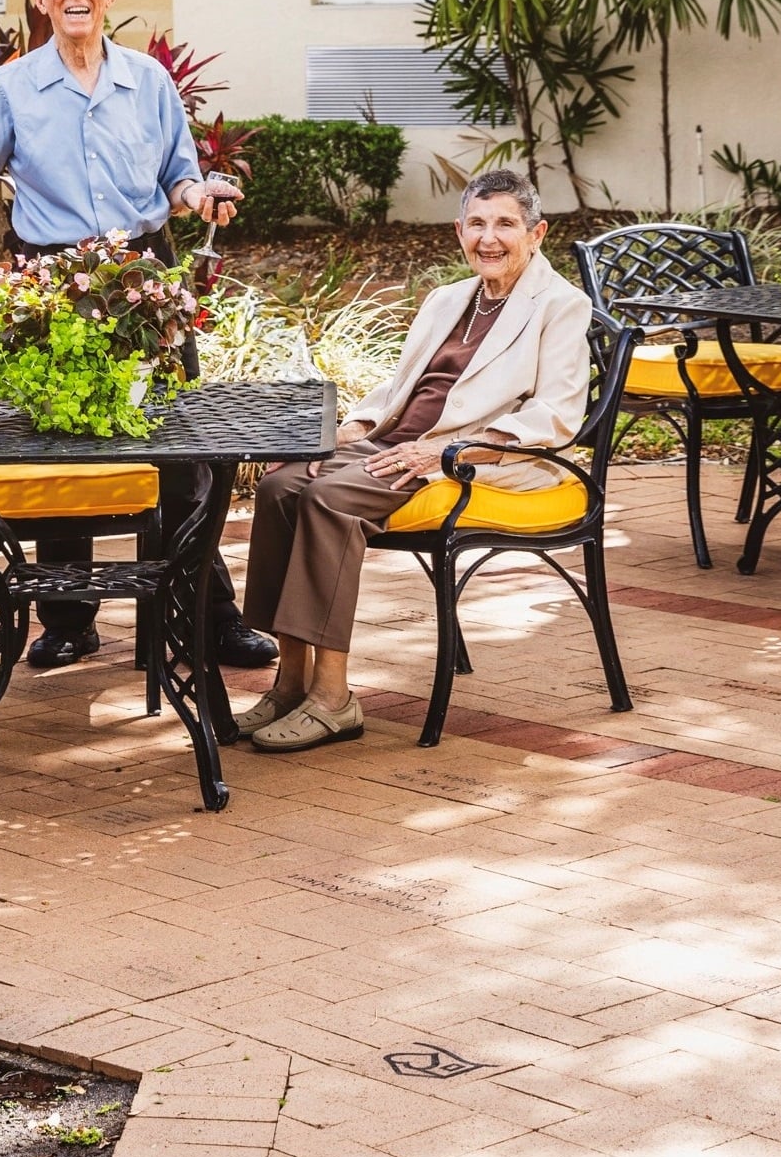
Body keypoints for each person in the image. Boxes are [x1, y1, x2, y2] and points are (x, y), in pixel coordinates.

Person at [0, 0, 272, 672]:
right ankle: (66, 621)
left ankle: (208, 616)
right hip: (53, 281)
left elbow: (178, 179)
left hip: (145, 273)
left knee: (178, 444)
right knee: (61, 440)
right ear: (40, 0)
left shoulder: (148, 81)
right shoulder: (10, 88)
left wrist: (200, 195)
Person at [238, 167, 592, 753]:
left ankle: (333, 698)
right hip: (395, 444)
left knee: (328, 499)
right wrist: (344, 433)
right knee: (281, 486)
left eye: (505, 224)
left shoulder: (560, 304)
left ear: (537, 233)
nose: (489, 238)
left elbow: (555, 416)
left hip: (470, 459)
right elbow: (398, 390)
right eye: (476, 223)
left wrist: (445, 451)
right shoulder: (448, 299)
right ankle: (290, 682)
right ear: (459, 231)